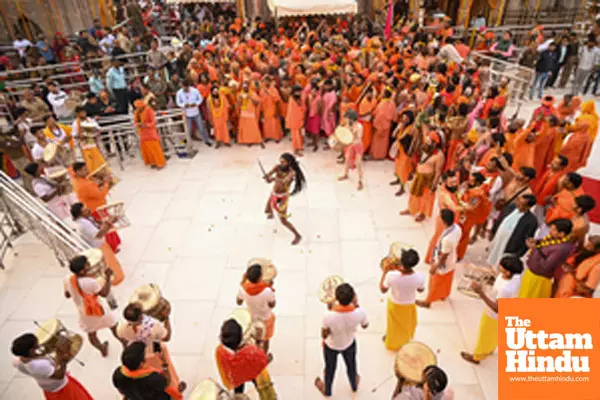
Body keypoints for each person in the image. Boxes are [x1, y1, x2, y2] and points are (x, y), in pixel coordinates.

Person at [461, 255, 523, 364]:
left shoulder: (505, 289)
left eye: (501, 269)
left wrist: (481, 293)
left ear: (508, 273)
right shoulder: (516, 277)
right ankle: (489, 348)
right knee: (493, 334)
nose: (498, 270)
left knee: (485, 334)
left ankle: (477, 356)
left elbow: (497, 308)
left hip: (494, 316)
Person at [116, 303, 186, 394]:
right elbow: (166, 337)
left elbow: (121, 336)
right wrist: (166, 319)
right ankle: (175, 389)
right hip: (154, 353)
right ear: (141, 317)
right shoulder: (153, 326)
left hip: (136, 356)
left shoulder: (121, 327)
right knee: (165, 373)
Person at [63, 254, 124, 357]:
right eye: (87, 264)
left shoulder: (68, 279)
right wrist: (108, 277)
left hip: (84, 314)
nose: (89, 264)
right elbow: (104, 293)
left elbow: (67, 295)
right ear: (82, 271)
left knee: (92, 334)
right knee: (114, 327)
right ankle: (124, 343)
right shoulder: (90, 282)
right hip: (99, 311)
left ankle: (102, 349)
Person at [314, 283, 368, 397]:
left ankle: (327, 390)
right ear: (353, 297)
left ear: (336, 298)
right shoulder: (359, 313)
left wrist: (330, 309)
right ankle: (354, 385)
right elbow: (365, 325)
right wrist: (357, 305)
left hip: (331, 346)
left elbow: (324, 335)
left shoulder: (327, 315)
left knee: (330, 369)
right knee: (351, 366)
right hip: (349, 344)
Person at [11, 333, 93, 400]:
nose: (39, 346)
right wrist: (61, 357)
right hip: (62, 390)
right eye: (36, 346)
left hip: (49, 389)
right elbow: (59, 376)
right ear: (31, 350)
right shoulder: (39, 366)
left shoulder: (18, 362)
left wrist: (47, 352)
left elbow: (39, 360)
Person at [380, 249, 425, 351]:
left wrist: (385, 272)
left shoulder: (392, 276)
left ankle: (391, 341)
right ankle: (405, 339)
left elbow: (383, 289)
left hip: (395, 303)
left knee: (393, 325)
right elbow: (421, 290)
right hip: (409, 304)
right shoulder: (420, 277)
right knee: (406, 324)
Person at [519, 219, 576, 298]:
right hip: (531, 275)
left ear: (561, 234)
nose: (550, 231)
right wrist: (536, 242)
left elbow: (546, 265)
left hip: (538, 280)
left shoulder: (562, 249)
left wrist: (534, 248)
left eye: (553, 230)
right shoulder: (555, 239)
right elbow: (545, 245)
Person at [72, 162, 121, 252]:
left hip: (92, 207)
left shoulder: (77, 181)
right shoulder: (84, 184)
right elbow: (100, 195)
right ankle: (112, 247)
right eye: (84, 170)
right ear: (77, 171)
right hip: (96, 209)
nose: (87, 171)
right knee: (105, 227)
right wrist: (106, 184)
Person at [71, 202, 125, 285]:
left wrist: (107, 222)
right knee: (110, 263)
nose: (88, 210)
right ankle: (116, 279)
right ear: (80, 214)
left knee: (112, 261)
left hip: (101, 244)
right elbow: (99, 235)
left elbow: (98, 224)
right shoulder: (83, 224)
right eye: (85, 210)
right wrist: (109, 223)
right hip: (99, 247)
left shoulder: (86, 219)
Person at [417, 209, 462, 309]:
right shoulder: (457, 228)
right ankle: (443, 295)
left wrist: (435, 266)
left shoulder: (447, 240)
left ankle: (428, 301)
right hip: (452, 259)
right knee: (447, 280)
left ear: (443, 221)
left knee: (435, 282)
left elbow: (443, 257)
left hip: (444, 262)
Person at [215, 319, 269, 396]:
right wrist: (260, 342)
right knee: (262, 387)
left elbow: (224, 369)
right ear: (241, 336)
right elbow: (262, 361)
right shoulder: (251, 351)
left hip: (237, 376)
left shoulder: (220, 350)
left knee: (238, 389)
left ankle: (238, 396)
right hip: (253, 371)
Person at [113, 341, 183, 400]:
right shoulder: (153, 378)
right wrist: (164, 363)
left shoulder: (118, 374)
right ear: (141, 363)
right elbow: (167, 383)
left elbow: (122, 392)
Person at [400, 131, 445, 222]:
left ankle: (422, 213)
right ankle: (411, 209)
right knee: (414, 194)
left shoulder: (439, 155)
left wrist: (434, 185)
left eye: (429, 140)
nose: (427, 140)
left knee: (426, 197)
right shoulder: (424, 148)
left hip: (428, 179)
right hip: (419, 176)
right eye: (427, 138)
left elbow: (438, 172)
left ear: (435, 143)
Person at [263, 153, 306, 245]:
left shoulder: (292, 172)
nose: (281, 163)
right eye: (280, 161)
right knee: (267, 210)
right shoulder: (277, 167)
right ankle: (271, 213)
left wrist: (273, 179)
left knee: (283, 220)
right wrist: (267, 177)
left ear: (289, 163)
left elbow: (284, 181)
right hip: (274, 193)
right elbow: (269, 174)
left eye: (283, 162)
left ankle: (297, 235)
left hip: (282, 197)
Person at [488, 194, 538, 267]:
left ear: (528, 207)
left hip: (510, 246)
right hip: (498, 240)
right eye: (518, 202)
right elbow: (500, 219)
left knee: (503, 263)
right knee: (493, 256)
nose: (518, 204)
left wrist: (518, 254)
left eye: (522, 204)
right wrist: (493, 231)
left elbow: (527, 240)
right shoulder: (511, 207)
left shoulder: (531, 221)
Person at [237, 263, 276, 356]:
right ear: (259, 278)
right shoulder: (267, 291)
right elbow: (272, 304)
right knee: (265, 338)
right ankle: (264, 356)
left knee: (254, 336)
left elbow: (239, 302)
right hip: (265, 317)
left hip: (252, 317)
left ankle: (254, 353)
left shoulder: (243, 289)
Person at [456, 172, 491, 261]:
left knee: (463, 235)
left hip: (469, 217)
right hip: (465, 214)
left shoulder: (477, 194)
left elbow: (471, 207)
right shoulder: (472, 190)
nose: (469, 182)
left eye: (471, 181)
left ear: (478, 183)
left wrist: (458, 203)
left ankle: (459, 254)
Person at [176, 79, 212, 145]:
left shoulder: (194, 90)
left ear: (189, 86)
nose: (186, 89)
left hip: (196, 113)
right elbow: (178, 102)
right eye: (184, 88)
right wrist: (184, 105)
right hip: (187, 114)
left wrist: (196, 104)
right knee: (188, 130)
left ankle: (207, 141)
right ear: (182, 86)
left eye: (187, 88)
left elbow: (200, 99)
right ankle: (185, 143)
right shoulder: (179, 93)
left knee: (201, 128)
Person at [71, 106, 106, 172]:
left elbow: (98, 129)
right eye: (82, 112)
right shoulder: (75, 124)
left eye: (84, 112)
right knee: (89, 164)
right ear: (77, 114)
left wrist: (95, 133)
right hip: (84, 147)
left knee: (99, 161)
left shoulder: (90, 120)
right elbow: (74, 135)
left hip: (94, 144)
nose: (84, 114)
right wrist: (81, 135)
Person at [134, 100, 166, 169]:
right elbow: (135, 121)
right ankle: (153, 162)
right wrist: (138, 124)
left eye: (139, 107)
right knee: (147, 149)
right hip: (142, 133)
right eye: (137, 107)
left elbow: (153, 122)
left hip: (150, 132)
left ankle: (160, 163)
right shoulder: (136, 112)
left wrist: (146, 125)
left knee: (155, 149)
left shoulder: (149, 110)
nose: (138, 108)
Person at [338, 110, 366, 191]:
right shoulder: (348, 125)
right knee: (347, 159)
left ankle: (360, 181)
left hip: (357, 146)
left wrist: (351, 133)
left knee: (358, 163)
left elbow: (359, 138)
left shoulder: (359, 126)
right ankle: (346, 174)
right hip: (351, 145)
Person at [370, 88, 396, 160]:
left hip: (379, 125)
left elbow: (377, 114)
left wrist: (374, 123)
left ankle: (375, 155)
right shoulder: (392, 103)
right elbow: (394, 116)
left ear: (384, 95)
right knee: (384, 141)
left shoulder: (381, 103)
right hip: (387, 125)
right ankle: (382, 156)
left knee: (376, 141)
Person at [237, 81, 264, 147]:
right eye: (244, 87)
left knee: (253, 128)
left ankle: (257, 140)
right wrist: (240, 99)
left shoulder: (253, 94)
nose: (245, 88)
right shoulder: (240, 94)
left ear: (248, 87)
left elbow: (257, 103)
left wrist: (250, 98)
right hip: (243, 113)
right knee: (245, 128)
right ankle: (247, 141)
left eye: (246, 87)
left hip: (251, 113)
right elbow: (239, 105)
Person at [286, 85, 305, 156]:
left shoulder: (300, 99)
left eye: (300, 91)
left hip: (299, 120)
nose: (300, 93)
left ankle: (299, 147)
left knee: (299, 135)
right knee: (295, 136)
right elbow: (292, 111)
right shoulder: (292, 99)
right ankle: (297, 149)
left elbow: (303, 108)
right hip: (293, 120)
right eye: (298, 91)